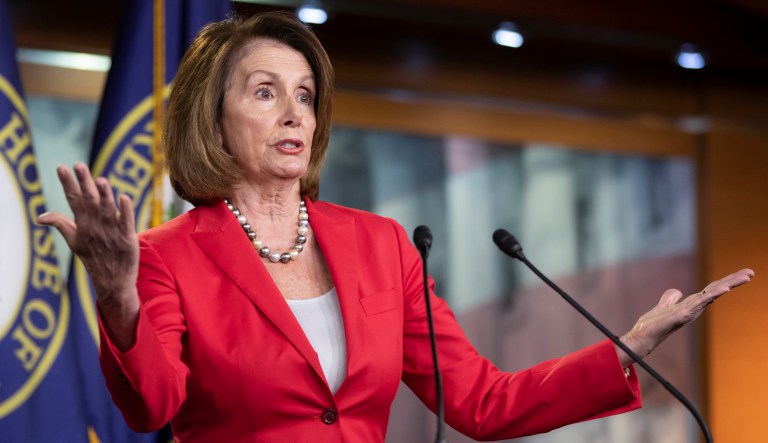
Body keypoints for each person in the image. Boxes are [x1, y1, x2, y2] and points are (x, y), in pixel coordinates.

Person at [38, 11, 754, 443]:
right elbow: (150, 407)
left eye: (306, 95)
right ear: (214, 120)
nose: (295, 113)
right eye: (265, 92)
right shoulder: (167, 256)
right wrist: (118, 297)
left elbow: (481, 400)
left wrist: (625, 349)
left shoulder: (380, 246)